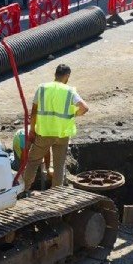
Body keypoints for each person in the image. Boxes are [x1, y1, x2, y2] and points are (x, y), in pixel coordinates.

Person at [24, 63, 89, 191]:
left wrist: (32, 130)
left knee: (33, 161)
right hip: (62, 134)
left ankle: (24, 189)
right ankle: (56, 193)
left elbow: (34, 112)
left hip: (44, 132)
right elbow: (84, 108)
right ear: (67, 76)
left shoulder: (42, 88)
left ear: (55, 74)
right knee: (59, 166)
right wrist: (74, 114)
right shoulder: (69, 91)